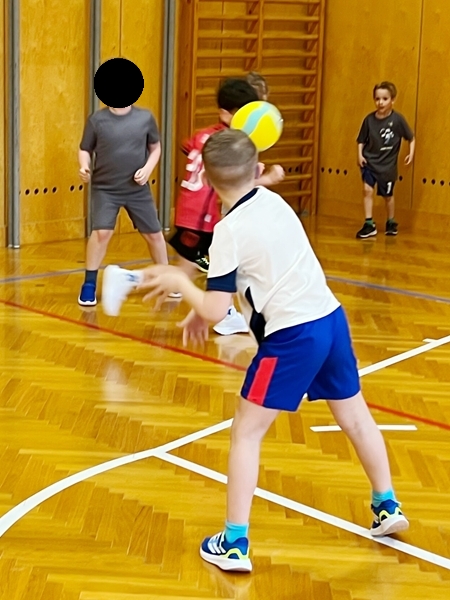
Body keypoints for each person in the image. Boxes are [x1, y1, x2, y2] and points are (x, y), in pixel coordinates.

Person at [101, 128, 409, 573]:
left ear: (207, 181)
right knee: (356, 418)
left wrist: (179, 281)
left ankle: (233, 543)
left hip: (292, 339)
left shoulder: (227, 232)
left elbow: (216, 305)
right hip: (330, 321)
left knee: (246, 432)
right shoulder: (274, 202)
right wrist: (201, 311)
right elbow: (233, 288)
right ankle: (387, 504)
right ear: (258, 170)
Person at [171, 77, 284, 335]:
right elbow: (232, 181)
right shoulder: (229, 144)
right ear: (225, 113)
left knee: (222, 263)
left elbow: (188, 146)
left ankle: (227, 312)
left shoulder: (206, 135)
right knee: (186, 272)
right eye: (242, 115)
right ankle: (129, 279)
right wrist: (268, 178)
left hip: (192, 210)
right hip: (201, 216)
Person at [77, 103, 176, 306]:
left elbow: (155, 147)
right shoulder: (96, 120)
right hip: (105, 189)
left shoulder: (145, 117)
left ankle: (166, 279)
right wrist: (84, 166)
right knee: (102, 233)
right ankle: (89, 284)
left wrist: (147, 169)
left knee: (154, 235)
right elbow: (84, 149)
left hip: (137, 190)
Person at [356, 81, 415, 238]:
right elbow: (361, 140)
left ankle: (391, 221)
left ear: (392, 100)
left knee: (388, 196)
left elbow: (411, 137)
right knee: (367, 190)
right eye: (377, 99)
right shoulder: (369, 120)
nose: (380, 102)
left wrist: (411, 153)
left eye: (384, 99)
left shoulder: (398, 120)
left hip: (387, 167)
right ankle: (369, 223)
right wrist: (360, 155)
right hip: (370, 163)